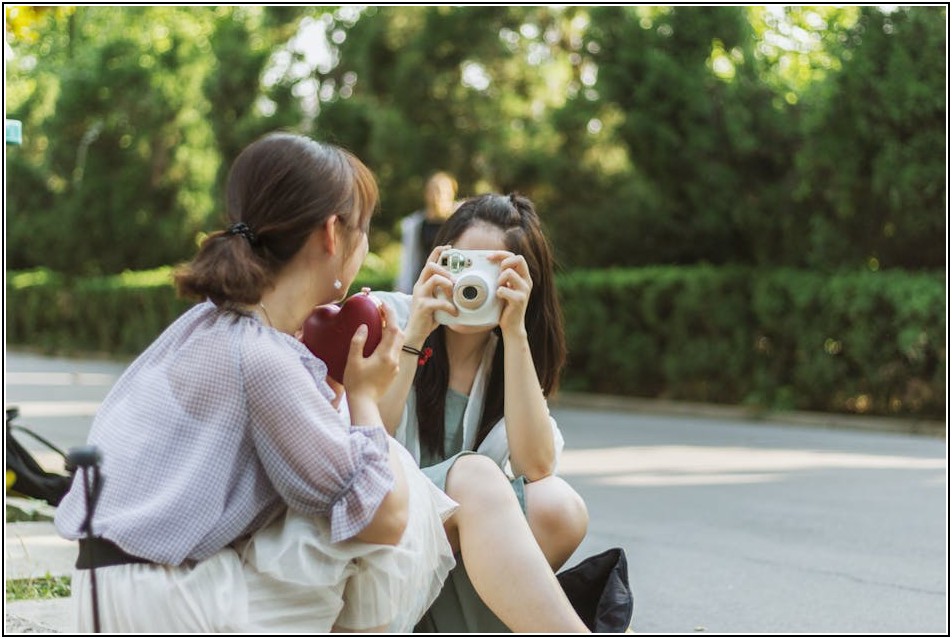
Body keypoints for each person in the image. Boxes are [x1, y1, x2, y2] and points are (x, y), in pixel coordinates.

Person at [53, 132, 457, 633]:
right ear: (332, 233)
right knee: (396, 485)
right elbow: (384, 517)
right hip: (165, 604)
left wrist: (329, 382)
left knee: (356, 483)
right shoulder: (262, 358)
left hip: (107, 593)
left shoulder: (209, 323)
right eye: (365, 229)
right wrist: (364, 396)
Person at [374, 192, 591, 633]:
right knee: (475, 476)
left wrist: (514, 334)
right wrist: (416, 331)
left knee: (561, 507)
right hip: (388, 521)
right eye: (460, 264)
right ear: (437, 258)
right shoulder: (391, 319)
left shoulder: (509, 354)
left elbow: (537, 466)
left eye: (487, 271)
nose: (468, 283)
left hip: (458, 547)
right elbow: (367, 440)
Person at [395, 171, 458, 294]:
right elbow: (409, 261)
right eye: (433, 190)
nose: (438, 195)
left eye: (443, 191)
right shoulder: (415, 225)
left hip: (451, 284)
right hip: (424, 283)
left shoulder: (460, 223)